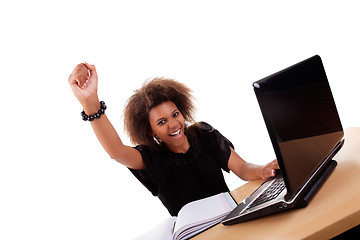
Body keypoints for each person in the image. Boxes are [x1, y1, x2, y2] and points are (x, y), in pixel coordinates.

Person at [68, 63, 280, 216]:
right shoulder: (151, 159)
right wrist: (91, 104)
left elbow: (242, 168)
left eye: (175, 114)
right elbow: (116, 152)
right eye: (161, 122)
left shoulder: (203, 134)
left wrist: (262, 170)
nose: (173, 125)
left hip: (231, 220)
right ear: (150, 131)